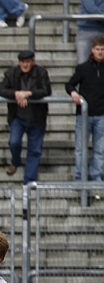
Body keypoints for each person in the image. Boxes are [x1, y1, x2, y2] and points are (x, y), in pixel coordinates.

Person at [0, 50, 51, 184]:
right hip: (18, 116)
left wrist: (28, 93)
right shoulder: (11, 73)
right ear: (19, 62)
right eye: (22, 62)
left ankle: (28, 181)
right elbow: (0, 90)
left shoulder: (41, 73)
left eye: (28, 62)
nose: (25, 65)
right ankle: (15, 161)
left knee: (35, 150)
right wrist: (16, 94)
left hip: (37, 117)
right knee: (14, 142)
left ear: (33, 62)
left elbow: (46, 90)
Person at [66, 36, 104, 181]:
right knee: (81, 148)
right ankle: (80, 177)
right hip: (84, 115)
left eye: (102, 49)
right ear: (92, 50)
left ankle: (96, 175)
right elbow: (69, 84)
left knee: (100, 149)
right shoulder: (83, 68)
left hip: (102, 115)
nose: (100, 52)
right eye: (98, 49)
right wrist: (73, 93)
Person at [77, 0, 104, 66]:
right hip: (86, 30)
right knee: (83, 63)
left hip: (102, 29)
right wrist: (101, 15)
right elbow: (90, 8)